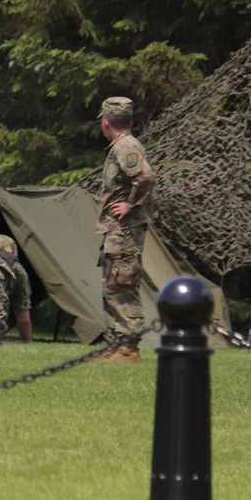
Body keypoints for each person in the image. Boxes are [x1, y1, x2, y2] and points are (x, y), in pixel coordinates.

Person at [94, 97, 155, 363]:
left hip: (125, 230)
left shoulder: (126, 146)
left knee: (122, 283)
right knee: (113, 284)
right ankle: (118, 346)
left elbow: (145, 177)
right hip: (118, 230)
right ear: (129, 121)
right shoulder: (124, 145)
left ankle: (128, 349)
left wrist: (130, 206)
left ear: (106, 122)